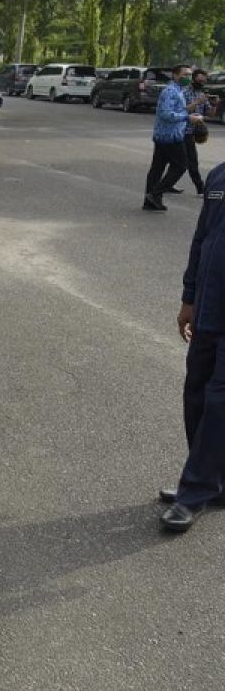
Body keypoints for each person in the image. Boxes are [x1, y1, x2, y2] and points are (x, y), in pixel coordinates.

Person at [161, 162, 225, 531]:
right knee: (196, 395)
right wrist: (189, 298)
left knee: (219, 403)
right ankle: (211, 480)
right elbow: (201, 240)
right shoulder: (218, 176)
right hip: (208, 308)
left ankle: (195, 490)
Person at [145, 63, 202, 211]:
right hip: (170, 136)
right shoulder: (170, 91)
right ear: (175, 75)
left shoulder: (178, 90)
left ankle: (150, 201)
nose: (188, 78)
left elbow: (178, 110)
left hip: (166, 135)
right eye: (184, 75)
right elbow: (165, 114)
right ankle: (155, 194)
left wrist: (189, 114)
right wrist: (187, 118)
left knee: (157, 168)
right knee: (181, 166)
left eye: (190, 75)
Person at [167, 68, 213, 196]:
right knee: (191, 160)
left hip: (193, 132)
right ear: (193, 79)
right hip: (182, 130)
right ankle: (200, 188)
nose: (201, 83)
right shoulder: (185, 92)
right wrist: (198, 102)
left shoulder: (202, 93)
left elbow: (208, 114)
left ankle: (167, 184)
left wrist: (214, 105)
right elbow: (181, 110)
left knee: (178, 161)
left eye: (204, 81)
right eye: (199, 80)